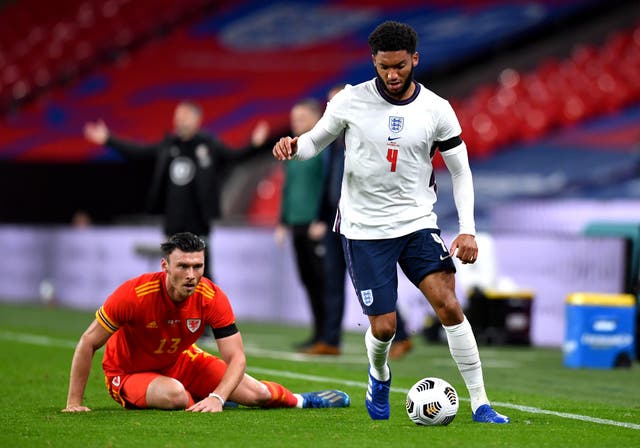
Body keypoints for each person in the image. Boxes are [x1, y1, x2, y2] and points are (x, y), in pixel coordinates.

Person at [272, 21, 509, 423]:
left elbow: (461, 171)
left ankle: (481, 403)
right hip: (364, 229)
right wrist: (295, 147)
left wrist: (466, 227)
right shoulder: (349, 100)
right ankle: (379, 375)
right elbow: (316, 140)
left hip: (417, 222)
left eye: (399, 65)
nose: (392, 75)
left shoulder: (437, 109)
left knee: (449, 305)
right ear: (374, 62)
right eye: (384, 67)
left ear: (414, 59)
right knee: (385, 328)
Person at [62, 232, 350, 413]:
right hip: (126, 373)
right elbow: (88, 342)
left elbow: (237, 358)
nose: (191, 274)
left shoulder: (211, 296)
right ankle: (202, 397)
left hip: (179, 361)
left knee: (259, 394)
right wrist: (74, 403)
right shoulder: (134, 295)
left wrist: (218, 397)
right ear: (165, 267)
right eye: (183, 266)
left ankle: (303, 400)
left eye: (197, 266)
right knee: (176, 395)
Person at [83, 100, 269, 280]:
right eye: (177, 116)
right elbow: (138, 152)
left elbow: (234, 156)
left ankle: (210, 311)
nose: (179, 119)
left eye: (185, 115)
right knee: (173, 275)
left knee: (202, 274)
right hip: (173, 224)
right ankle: (176, 312)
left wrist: (253, 144)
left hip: (198, 224)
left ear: (197, 119)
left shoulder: (208, 144)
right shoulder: (169, 145)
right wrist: (109, 140)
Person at [301, 84, 413, 358]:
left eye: (336, 102)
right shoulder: (332, 139)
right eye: (329, 103)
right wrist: (319, 217)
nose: (332, 108)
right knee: (332, 279)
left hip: (360, 219)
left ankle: (401, 333)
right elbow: (326, 183)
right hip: (332, 219)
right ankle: (330, 339)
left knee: (368, 279)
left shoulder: (367, 135)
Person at [274, 98, 327, 352]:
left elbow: (328, 186)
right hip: (296, 223)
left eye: (301, 119)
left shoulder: (323, 147)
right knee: (308, 280)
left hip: (314, 224)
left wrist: (324, 219)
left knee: (322, 280)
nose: (296, 124)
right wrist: (283, 222)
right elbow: (288, 189)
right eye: (294, 119)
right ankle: (318, 333)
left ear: (316, 119)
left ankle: (326, 335)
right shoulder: (293, 149)